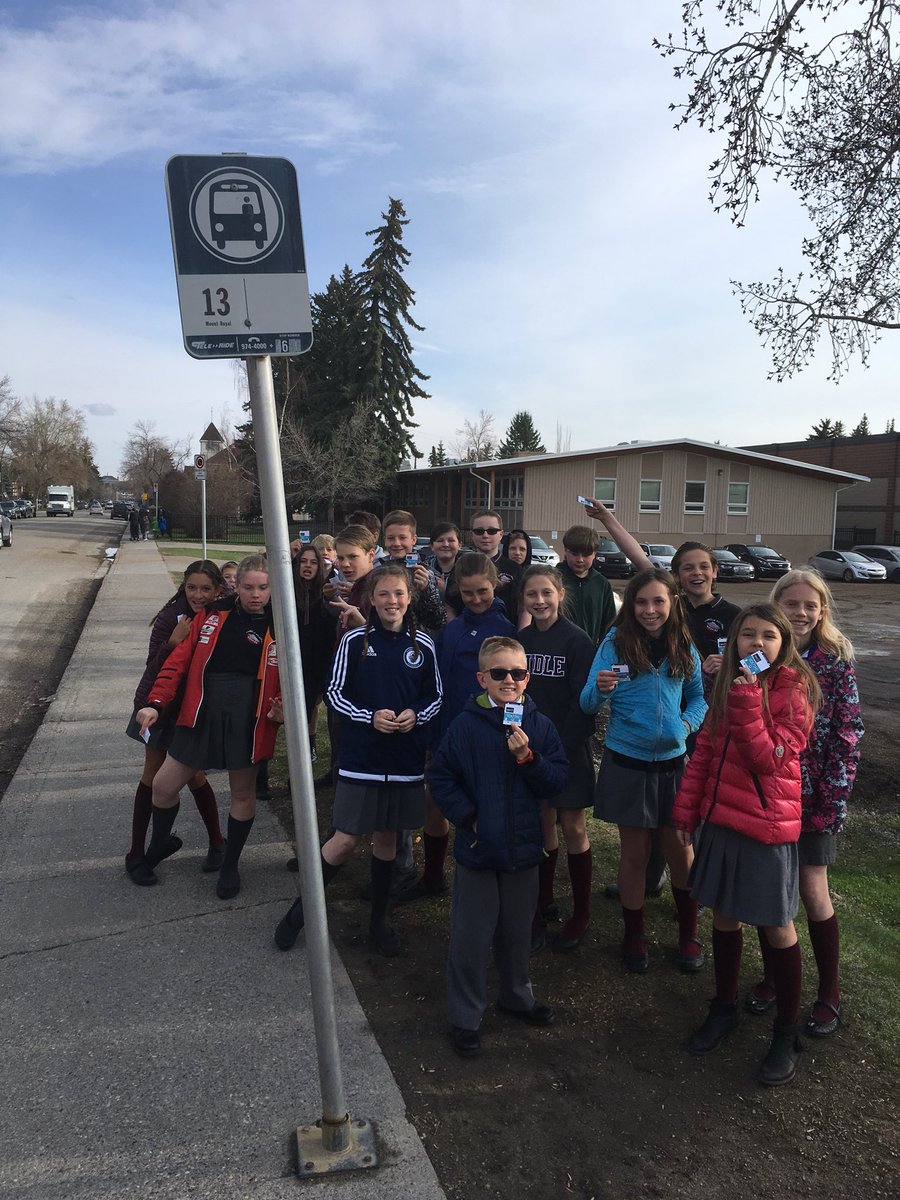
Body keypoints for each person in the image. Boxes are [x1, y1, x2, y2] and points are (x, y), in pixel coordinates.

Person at [673, 603, 820, 1086]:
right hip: (721, 820)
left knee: (777, 926)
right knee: (723, 915)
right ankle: (724, 1007)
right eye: (748, 635)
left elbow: (766, 758)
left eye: (769, 636)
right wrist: (686, 810)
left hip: (765, 826)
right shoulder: (727, 685)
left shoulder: (794, 691)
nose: (757, 643)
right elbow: (705, 753)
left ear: (784, 644)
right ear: (734, 641)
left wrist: (747, 698)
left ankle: (786, 1032)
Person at [273, 564, 442, 956]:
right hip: (361, 758)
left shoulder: (424, 645)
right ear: (371, 599)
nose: (392, 601)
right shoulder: (353, 640)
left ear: (409, 598)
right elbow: (334, 693)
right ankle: (298, 915)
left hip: (404, 761)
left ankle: (378, 922)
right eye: (383, 594)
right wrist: (370, 717)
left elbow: (435, 696)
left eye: (399, 593)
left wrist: (416, 714)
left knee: (387, 838)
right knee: (345, 840)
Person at [429, 636, 569, 1057]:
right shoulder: (465, 725)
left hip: (524, 849)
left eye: (517, 673)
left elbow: (556, 780)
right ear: (482, 678)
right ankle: (465, 1015)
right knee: (471, 936)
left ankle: (516, 995)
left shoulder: (539, 725)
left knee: (517, 931)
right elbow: (441, 777)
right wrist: (469, 817)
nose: (509, 680)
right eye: (499, 673)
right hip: (479, 849)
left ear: (528, 677)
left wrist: (529, 759)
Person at [745, 570, 863, 1039]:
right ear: (776, 605)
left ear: (822, 610)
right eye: (790, 604)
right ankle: (774, 978)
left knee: (814, 891)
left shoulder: (834, 662)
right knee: (769, 891)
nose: (800, 612)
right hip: (768, 795)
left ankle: (829, 990)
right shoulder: (762, 658)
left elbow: (848, 733)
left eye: (810, 605)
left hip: (814, 799)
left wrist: (832, 799)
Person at [580, 568, 707, 973]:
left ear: (673, 603)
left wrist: (685, 725)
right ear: (630, 605)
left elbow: (699, 698)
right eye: (641, 602)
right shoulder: (614, 644)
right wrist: (600, 689)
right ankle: (634, 934)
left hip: (674, 767)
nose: (650, 610)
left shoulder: (683, 644)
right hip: (627, 763)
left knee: (681, 853)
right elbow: (586, 703)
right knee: (635, 855)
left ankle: (689, 933)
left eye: (658, 601)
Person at [135, 554, 283, 900]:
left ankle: (230, 864)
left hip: (248, 718)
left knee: (242, 793)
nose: (255, 594)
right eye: (248, 587)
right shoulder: (213, 615)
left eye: (263, 587)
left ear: (272, 588)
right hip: (200, 711)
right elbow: (177, 662)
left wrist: (283, 708)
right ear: (236, 586)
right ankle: (160, 844)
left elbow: (294, 676)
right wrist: (155, 703)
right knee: (163, 786)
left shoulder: (280, 624)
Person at [398, 553, 516, 904]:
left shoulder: (505, 631)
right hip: (444, 730)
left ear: (494, 586)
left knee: (480, 809)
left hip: (484, 735)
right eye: (468, 593)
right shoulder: (452, 629)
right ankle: (433, 876)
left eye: (482, 591)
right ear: (458, 592)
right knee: (435, 800)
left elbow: (513, 691)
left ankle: (486, 880)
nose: (476, 599)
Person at [124, 560, 226, 886]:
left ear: (218, 590)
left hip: (192, 709)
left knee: (194, 775)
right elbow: (152, 667)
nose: (198, 595)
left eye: (205, 589)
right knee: (152, 774)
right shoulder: (171, 618)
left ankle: (218, 843)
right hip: (158, 706)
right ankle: (136, 853)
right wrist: (172, 642)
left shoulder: (220, 616)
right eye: (191, 587)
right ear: (184, 586)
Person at [518, 566, 596, 952]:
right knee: (541, 821)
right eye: (532, 594)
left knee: (573, 826)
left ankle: (581, 911)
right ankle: (542, 899)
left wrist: (560, 750)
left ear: (560, 594)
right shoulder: (521, 640)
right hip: (530, 751)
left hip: (568, 750)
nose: (540, 601)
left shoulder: (577, 641)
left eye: (546, 593)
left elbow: (585, 704)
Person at [670, 542, 741, 707]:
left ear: (714, 571)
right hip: (676, 704)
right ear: (676, 575)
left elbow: (761, 658)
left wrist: (730, 664)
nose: (697, 572)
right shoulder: (671, 610)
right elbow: (643, 564)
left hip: (718, 705)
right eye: (688, 568)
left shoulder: (735, 615)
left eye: (704, 566)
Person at [293, 543, 338, 763]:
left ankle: (309, 746)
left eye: (313, 562)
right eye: (303, 561)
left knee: (312, 706)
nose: (307, 566)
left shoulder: (326, 591)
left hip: (319, 660)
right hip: (295, 658)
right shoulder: (290, 590)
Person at [556, 525, 617, 647]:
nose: (580, 559)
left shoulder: (601, 583)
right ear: (566, 550)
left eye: (586, 555)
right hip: (557, 648)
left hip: (590, 650)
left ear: (594, 554)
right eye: (575, 553)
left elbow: (610, 623)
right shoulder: (554, 579)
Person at [459, 509, 523, 623]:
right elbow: (451, 604)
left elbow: (523, 607)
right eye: (479, 531)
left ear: (501, 535)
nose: (485, 535)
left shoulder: (514, 569)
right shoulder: (461, 565)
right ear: (472, 535)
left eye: (492, 531)